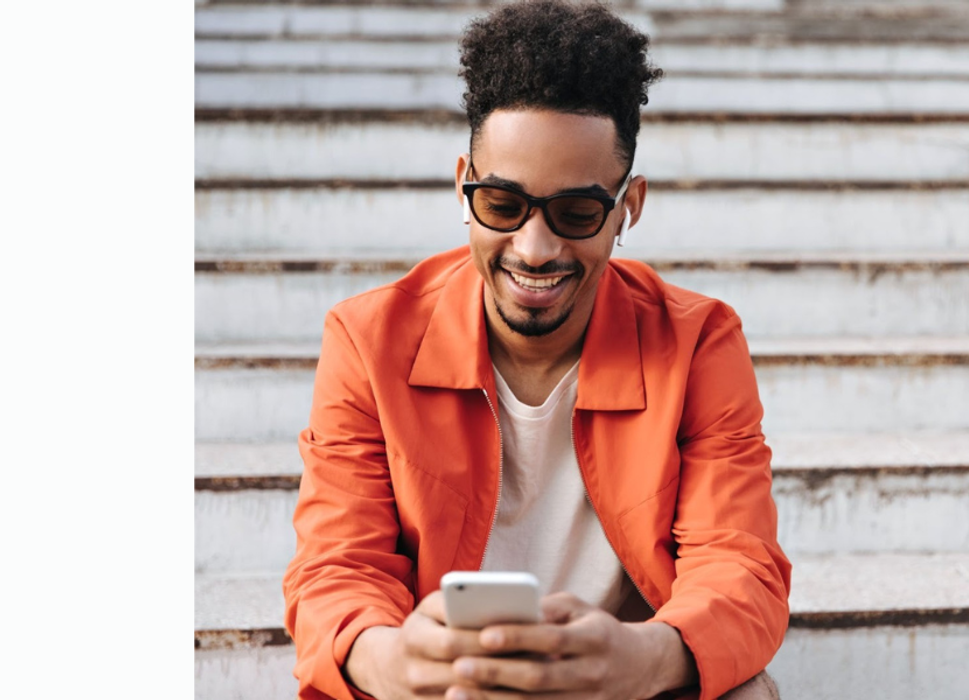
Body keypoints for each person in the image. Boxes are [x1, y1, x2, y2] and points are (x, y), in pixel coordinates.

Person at [281, 2, 792, 699]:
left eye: (577, 212)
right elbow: (337, 570)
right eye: (502, 203)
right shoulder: (369, 339)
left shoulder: (699, 341)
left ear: (627, 206)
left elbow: (739, 568)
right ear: (463, 182)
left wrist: (641, 658)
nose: (535, 248)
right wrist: (394, 660)